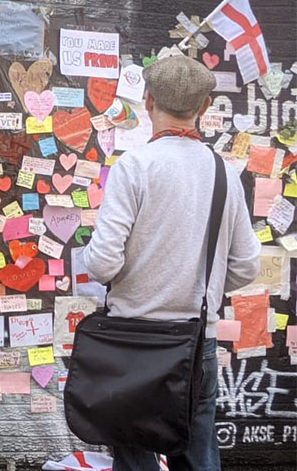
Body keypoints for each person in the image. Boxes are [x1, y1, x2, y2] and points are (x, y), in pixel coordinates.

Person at [80, 55, 261, 471]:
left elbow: (103, 264)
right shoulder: (224, 172)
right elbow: (247, 266)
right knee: (197, 458)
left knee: (134, 455)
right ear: (205, 106)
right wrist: (203, 284)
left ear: (146, 101)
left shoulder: (134, 166)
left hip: (132, 341)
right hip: (197, 341)